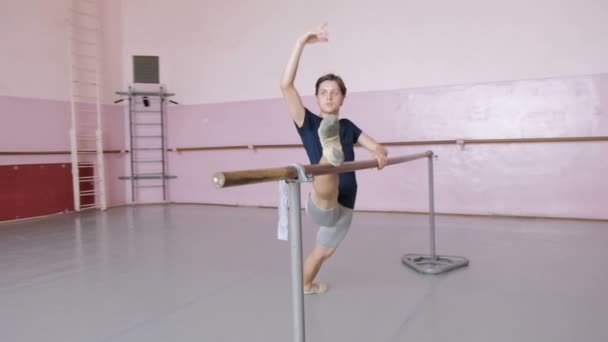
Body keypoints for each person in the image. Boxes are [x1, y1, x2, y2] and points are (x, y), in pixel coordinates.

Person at [280, 23, 388, 294]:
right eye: (323, 92)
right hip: (323, 200)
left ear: (343, 98)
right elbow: (286, 85)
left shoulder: (348, 126)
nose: (329, 96)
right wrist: (301, 42)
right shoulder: (307, 122)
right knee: (328, 177)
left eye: (334, 92)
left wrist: (378, 152)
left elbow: (376, 146)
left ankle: (306, 286)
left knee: (322, 253)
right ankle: (329, 154)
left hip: (346, 207)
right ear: (316, 98)